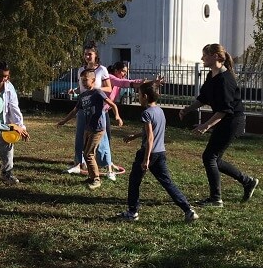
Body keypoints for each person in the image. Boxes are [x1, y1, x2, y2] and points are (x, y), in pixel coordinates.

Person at [178, 43, 259, 207]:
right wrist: (188, 109)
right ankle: (247, 181)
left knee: (210, 157)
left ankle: (216, 199)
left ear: (215, 56)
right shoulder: (212, 76)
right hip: (225, 120)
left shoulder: (225, 80)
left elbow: (224, 110)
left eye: (205, 55)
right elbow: (203, 98)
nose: (202, 58)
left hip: (233, 121)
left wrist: (206, 126)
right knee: (214, 158)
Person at [120, 81, 198, 223]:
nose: (138, 97)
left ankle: (132, 212)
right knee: (167, 182)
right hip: (160, 152)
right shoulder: (159, 111)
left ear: (145, 96)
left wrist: (146, 159)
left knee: (134, 182)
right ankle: (188, 210)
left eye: (139, 94)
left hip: (148, 153)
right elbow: (153, 131)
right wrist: (135, 136)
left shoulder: (146, 113)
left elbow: (150, 137)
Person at [58, 69, 123, 189]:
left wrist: (117, 117)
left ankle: (96, 180)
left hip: (98, 128)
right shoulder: (83, 96)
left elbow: (112, 104)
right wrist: (64, 121)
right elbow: (74, 111)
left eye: (85, 80)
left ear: (93, 80)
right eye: (82, 80)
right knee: (86, 152)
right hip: (88, 128)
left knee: (89, 154)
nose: (83, 83)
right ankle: (91, 177)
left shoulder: (97, 92)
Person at [65, 43, 117, 180]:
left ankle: (108, 167)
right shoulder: (81, 70)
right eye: (85, 54)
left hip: (97, 109)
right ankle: (78, 163)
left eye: (90, 54)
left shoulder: (102, 70)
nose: (87, 56)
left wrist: (95, 90)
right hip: (84, 107)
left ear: (95, 55)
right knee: (80, 135)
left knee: (102, 139)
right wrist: (75, 91)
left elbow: (109, 88)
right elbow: (82, 88)